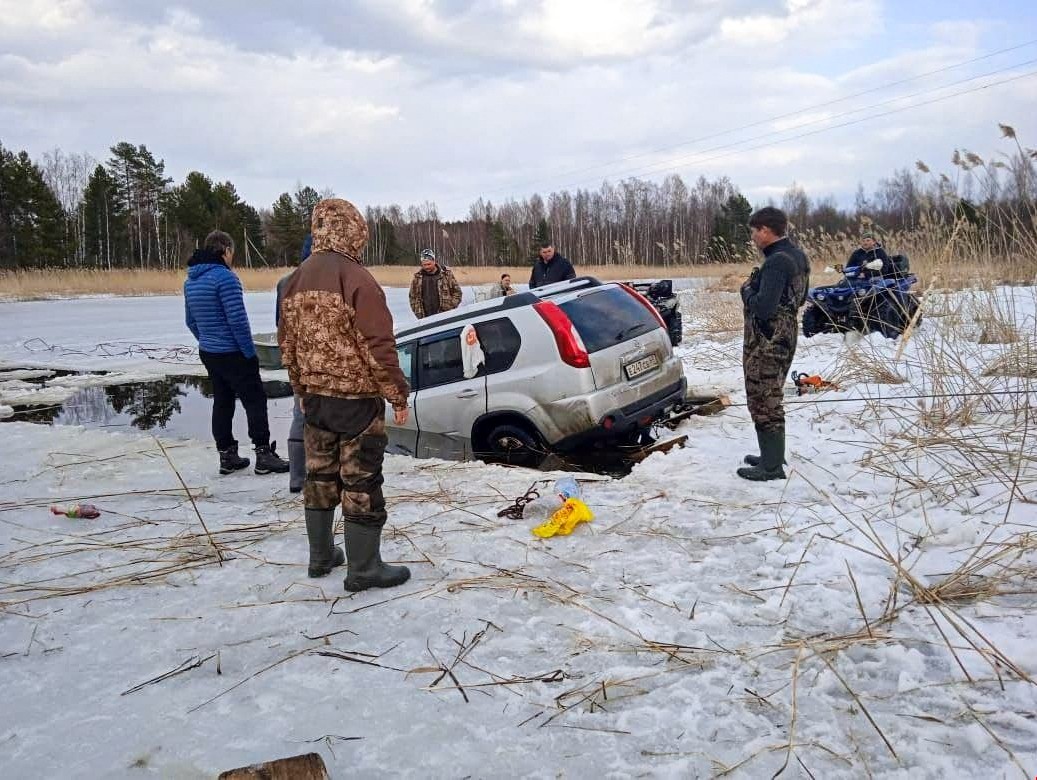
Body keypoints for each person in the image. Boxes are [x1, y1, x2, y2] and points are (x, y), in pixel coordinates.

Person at [278, 198, 412, 589]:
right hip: (355, 402)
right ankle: (364, 569)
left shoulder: (294, 280)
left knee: (318, 478)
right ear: (354, 231)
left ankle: (320, 557)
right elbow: (378, 346)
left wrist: (301, 389)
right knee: (361, 480)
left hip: (315, 400)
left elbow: (288, 346)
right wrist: (397, 395)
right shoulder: (357, 279)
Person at [184, 230, 290, 476]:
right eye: (232, 252)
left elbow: (190, 321)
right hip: (233, 352)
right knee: (255, 400)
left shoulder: (191, 280)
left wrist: (207, 341)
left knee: (222, 401)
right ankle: (264, 454)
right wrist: (249, 353)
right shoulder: (226, 278)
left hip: (210, 352)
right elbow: (237, 321)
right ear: (225, 250)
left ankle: (227, 455)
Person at [738, 207, 810, 482]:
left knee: (763, 397)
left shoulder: (777, 261)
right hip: (785, 334)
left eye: (754, 232)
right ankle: (771, 456)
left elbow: (763, 307)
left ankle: (770, 468)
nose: (753, 237)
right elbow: (800, 299)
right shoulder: (797, 255)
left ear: (766, 230)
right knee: (769, 394)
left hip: (768, 340)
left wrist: (746, 290)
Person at [275, 233, 313, 494]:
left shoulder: (285, 283)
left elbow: (281, 326)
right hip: (321, 360)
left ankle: (297, 477)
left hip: (298, 359)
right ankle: (313, 476)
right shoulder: (331, 281)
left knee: (300, 413)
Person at [408, 248, 462, 318]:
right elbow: (412, 297)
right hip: (425, 318)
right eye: (424, 265)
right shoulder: (417, 278)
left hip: (445, 316)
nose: (426, 267)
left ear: (434, 261)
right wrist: (418, 312)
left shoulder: (446, 274)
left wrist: (450, 307)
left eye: (429, 264)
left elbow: (457, 293)